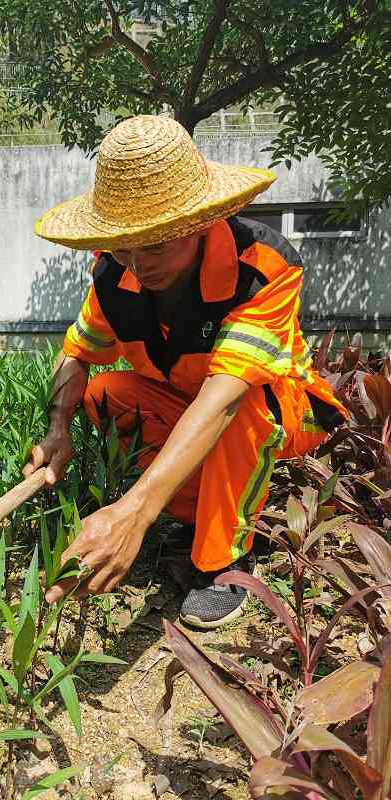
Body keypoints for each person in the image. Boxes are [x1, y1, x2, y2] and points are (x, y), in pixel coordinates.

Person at [23, 115, 347, 629]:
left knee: (243, 409)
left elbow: (224, 396)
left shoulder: (261, 267)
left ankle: (225, 559)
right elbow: (77, 355)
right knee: (106, 393)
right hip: (191, 405)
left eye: (155, 244)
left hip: (285, 412)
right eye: (125, 243)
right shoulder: (114, 274)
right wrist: (57, 429)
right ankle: (200, 514)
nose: (137, 262)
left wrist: (135, 511)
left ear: (198, 224)